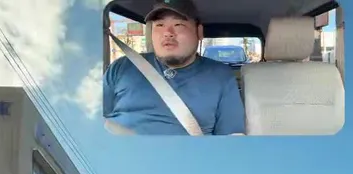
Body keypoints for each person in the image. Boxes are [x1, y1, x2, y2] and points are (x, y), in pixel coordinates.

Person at [103, 0, 246, 136]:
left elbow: (230, 140)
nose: (167, 32)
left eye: (178, 24)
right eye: (159, 25)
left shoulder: (220, 76)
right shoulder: (122, 67)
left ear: (199, 32)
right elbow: (93, 119)